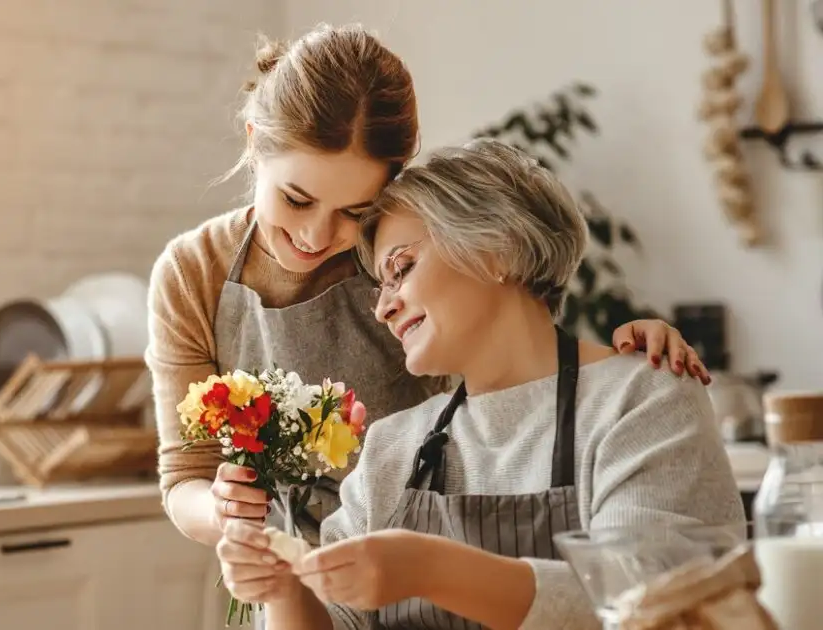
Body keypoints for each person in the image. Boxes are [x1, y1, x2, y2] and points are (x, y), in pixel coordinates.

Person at [146, 23, 712, 549]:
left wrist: (618, 363)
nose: (316, 235)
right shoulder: (193, 274)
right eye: (296, 199)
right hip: (283, 569)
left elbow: (513, 360)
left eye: (355, 211)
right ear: (254, 144)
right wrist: (225, 511)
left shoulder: (400, 247)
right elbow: (185, 475)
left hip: (421, 555)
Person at [214, 139, 746, 630]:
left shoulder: (641, 399)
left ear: (497, 248)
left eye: (402, 267)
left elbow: (658, 602)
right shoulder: (393, 447)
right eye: (380, 285)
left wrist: (431, 568)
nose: (383, 308)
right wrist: (282, 589)